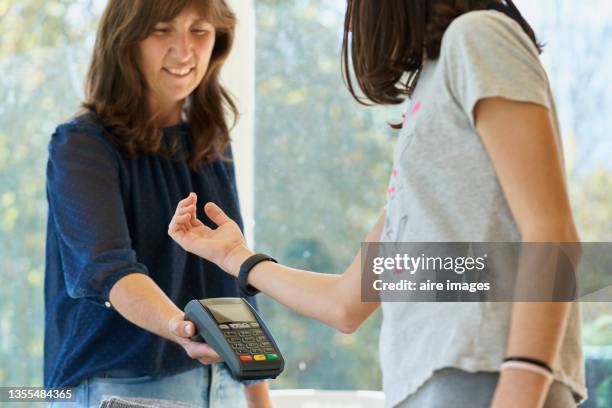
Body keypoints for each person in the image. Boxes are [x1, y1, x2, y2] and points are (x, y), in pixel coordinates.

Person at [168, 0, 587, 407]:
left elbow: (550, 231)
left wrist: (524, 383)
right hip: (434, 384)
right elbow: (346, 303)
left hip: (486, 376)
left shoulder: (477, 36)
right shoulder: (432, 91)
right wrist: (236, 257)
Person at [44, 0, 271, 407]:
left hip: (223, 386)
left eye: (199, 31)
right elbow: (110, 272)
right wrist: (180, 328)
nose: (184, 50)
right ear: (125, 40)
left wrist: (259, 397)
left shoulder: (210, 143)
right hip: (119, 388)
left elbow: (233, 279)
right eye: (163, 30)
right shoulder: (81, 146)